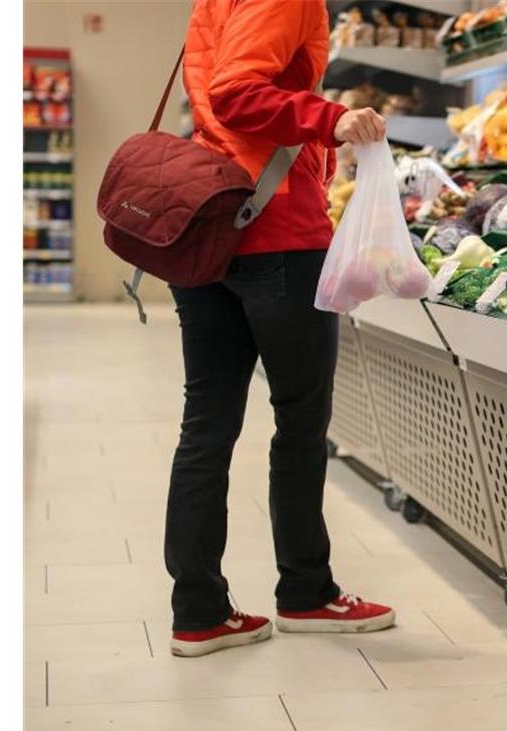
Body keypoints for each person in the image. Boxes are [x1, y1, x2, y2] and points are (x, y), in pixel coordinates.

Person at [166, 0, 392, 658]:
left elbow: (216, 89)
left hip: (208, 229)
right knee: (299, 420)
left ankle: (199, 611)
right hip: (277, 233)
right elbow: (238, 93)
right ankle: (306, 594)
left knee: (205, 424)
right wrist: (333, 118)